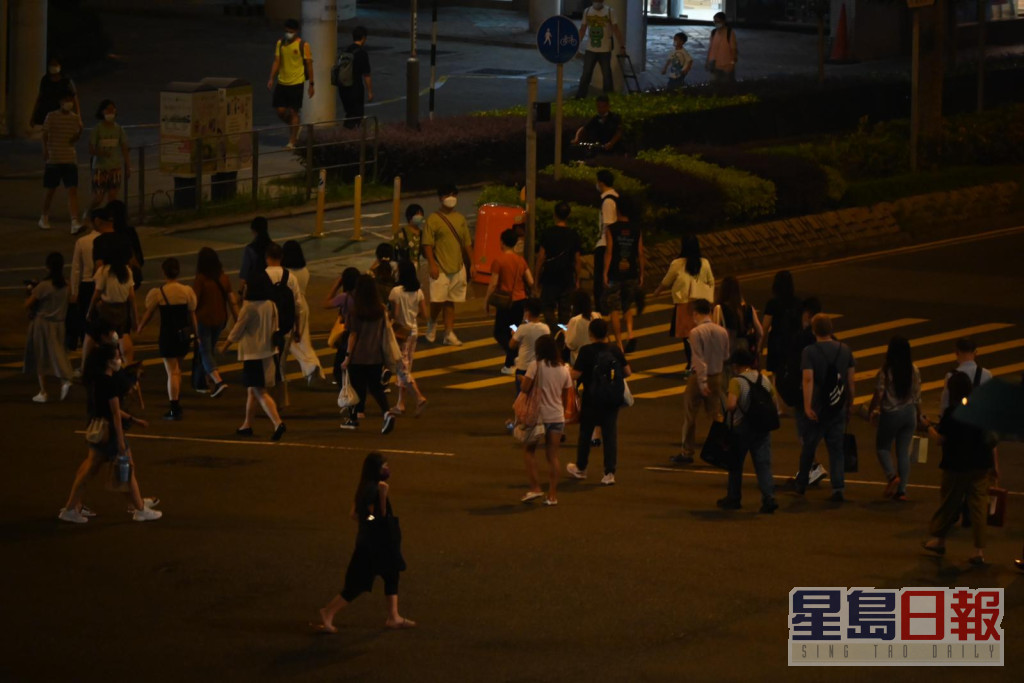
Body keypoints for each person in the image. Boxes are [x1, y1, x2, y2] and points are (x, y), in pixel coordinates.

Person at [59, 343, 161, 524]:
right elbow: (114, 413)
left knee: (98, 469)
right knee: (123, 468)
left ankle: (136, 505)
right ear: (108, 361)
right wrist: (121, 441)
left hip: (97, 429)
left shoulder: (96, 379)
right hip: (109, 434)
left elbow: (111, 409)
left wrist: (133, 420)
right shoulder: (109, 382)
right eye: (116, 357)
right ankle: (138, 509)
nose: (119, 360)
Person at [315, 452, 415, 632]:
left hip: (376, 541)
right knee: (359, 583)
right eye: (383, 466)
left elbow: (353, 514)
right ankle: (328, 611)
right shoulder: (373, 490)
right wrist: (382, 497)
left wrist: (367, 518)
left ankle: (394, 616)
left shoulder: (364, 486)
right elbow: (374, 517)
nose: (387, 469)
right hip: (373, 545)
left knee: (392, 573)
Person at [922, 371, 1000, 565]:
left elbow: (941, 439)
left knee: (949, 503)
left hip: (956, 465)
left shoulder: (952, 413)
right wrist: (995, 466)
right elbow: (991, 440)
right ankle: (979, 551)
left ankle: (939, 540)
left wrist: (927, 427)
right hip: (981, 464)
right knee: (978, 507)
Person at [795, 314, 856, 501]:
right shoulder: (845, 350)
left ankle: (802, 482)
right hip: (837, 406)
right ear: (831, 329)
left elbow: (808, 379)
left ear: (814, 331)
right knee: (836, 448)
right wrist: (849, 403)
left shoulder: (809, 352)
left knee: (809, 446)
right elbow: (850, 381)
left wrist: (807, 406)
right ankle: (838, 488)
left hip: (818, 406)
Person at [221, 272, 286, 441]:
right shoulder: (271, 304)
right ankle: (247, 425)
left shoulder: (249, 306)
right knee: (252, 390)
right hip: (270, 352)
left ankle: (277, 422)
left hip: (253, 354)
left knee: (259, 391)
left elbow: (237, 329)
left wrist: (224, 346)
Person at [567, 318, 631, 486]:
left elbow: (575, 375)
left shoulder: (586, 351)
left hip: (592, 397)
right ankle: (609, 472)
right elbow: (627, 372)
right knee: (610, 435)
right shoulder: (615, 350)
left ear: (590, 334)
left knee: (586, 433)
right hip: (611, 398)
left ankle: (581, 467)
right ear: (606, 333)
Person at [136, 258, 198, 421]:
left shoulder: (159, 293)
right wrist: (196, 334)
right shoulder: (186, 291)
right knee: (177, 369)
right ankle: (177, 401)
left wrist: (140, 326)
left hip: (167, 335)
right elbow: (192, 314)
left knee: (172, 371)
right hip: (183, 335)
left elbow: (149, 312)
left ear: (164, 272)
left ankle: (174, 406)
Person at [720, 349, 778, 513]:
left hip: (742, 428)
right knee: (763, 465)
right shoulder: (764, 379)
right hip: (762, 427)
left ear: (736, 365)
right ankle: (769, 498)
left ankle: (734, 498)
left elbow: (731, 405)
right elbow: (774, 401)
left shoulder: (736, 381)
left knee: (736, 464)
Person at [674, 299, 731, 464]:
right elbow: (726, 355)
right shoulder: (722, 331)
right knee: (715, 414)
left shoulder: (696, 332)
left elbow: (698, 360)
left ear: (696, 313)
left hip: (698, 378)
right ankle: (720, 448)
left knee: (690, 414)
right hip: (717, 376)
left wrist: (702, 382)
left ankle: (687, 451)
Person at [519, 335, 573, 505]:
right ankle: (552, 495)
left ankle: (535, 488)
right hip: (557, 416)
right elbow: (566, 395)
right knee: (553, 456)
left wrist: (522, 378)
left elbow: (524, 388)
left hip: (539, 416)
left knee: (529, 451)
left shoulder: (535, 366)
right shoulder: (564, 369)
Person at [340, 274, 397, 434]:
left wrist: (347, 357)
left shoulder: (355, 311)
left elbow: (353, 335)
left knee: (355, 388)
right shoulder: (380, 309)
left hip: (358, 356)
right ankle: (387, 412)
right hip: (375, 356)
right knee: (376, 388)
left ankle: (353, 419)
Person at [869, 336, 922, 501]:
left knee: (883, 448)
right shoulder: (913, 369)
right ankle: (902, 491)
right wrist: (919, 414)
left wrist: (872, 409)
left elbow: (879, 393)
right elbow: (917, 395)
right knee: (903, 452)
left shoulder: (886, 371)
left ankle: (892, 477)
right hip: (909, 413)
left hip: (891, 414)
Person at [422, 183, 475, 346]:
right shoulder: (433, 219)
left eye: (453, 194)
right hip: (440, 267)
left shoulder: (460, 219)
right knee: (437, 300)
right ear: (440, 198)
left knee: (451, 301)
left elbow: (467, 243)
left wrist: (473, 264)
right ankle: (432, 323)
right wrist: (432, 264)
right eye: (447, 195)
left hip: (458, 267)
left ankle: (449, 333)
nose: (451, 198)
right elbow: (427, 244)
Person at [653, 235, 714, 371]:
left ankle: (691, 363)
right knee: (702, 334)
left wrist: (657, 292)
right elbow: (711, 281)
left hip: (684, 304)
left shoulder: (678, 264)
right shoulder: (704, 262)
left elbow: (666, 281)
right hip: (702, 304)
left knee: (688, 337)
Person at [24, 252, 74, 403]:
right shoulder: (66, 284)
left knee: (41, 357)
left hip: (42, 324)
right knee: (58, 353)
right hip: (59, 324)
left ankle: (44, 391)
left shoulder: (44, 286)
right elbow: (71, 300)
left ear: (47, 267)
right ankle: (64, 380)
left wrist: (30, 290)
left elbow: (27, 304)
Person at [192, 247, 237, 397]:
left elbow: (194, 302)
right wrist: (237, 318)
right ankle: (202, 381)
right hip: (220, 319)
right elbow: (232, 300)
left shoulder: (200, 279)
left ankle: (218, 381)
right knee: (208, 350)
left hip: (204, 319)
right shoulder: (224, 278)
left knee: (205, 351)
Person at [487, 229, 533, 375]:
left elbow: (493, 284)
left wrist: (487, 300)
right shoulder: (521, 260)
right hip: (520, 302)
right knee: (513, 330)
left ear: (502, 242)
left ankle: (514, 356)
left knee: (499, 332)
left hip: (506, 303)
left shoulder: (499, 260)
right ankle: (509, 364)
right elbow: (530, 281)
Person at [265, 242, 305, 408]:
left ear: (267, 258)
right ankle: (282, 399)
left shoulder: (262, 275)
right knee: (281, 363)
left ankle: (268, 399)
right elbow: (298, 306)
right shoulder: (291, 277)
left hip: (266, 326)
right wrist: (297, 328)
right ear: (281, 257)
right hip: (286, 326)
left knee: (267, 362)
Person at [602, 195, 644, 353]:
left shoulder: (611, 229)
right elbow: (640, 253)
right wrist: (641, 274)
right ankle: (630, 334)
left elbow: (609, 252)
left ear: (617, 209)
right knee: (627, 305)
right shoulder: (636, 229)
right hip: (632, 272)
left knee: (614, 307)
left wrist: (605, 273)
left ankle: (619, 343)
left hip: (615, 273)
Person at [281, 240, 325, 385]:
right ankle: (314, 365)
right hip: (304, 306)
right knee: (304, 341)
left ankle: (308, 366)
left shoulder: (286, 273)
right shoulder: (304, 270)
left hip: (290, 306)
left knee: (289, 342)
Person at [39, 91, 83, 233]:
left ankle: (74, 222)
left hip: (69, 158)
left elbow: (73, 140)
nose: (68, 102)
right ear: (60, 101)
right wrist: (45, 150)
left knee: (72, 190)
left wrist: (79, 133)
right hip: (54, 158)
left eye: (70, 99)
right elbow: (44, 134)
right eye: (66, 99)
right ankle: (44, 216)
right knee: (50, 190)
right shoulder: (51, 116)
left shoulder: (75, 118)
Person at [388, 260, 428, 416]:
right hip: (414, 332)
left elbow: (395, 315)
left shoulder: (396, 292)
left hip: (401, 333)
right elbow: (425, 315)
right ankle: (401, 403)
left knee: (402, 368)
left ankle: (419, 397)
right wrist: (412, 313)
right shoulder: (419, 292)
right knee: (406, 366)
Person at [87, 239, 137, 364]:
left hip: (106, 309)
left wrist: (90, 310)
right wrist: (135, 317)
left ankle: (88, 365)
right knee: (123, 334)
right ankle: (128, 364)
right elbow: (132, 296)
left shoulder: (104, 271)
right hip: (122, 310)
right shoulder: (127, 271)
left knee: (95, 336)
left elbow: (97, 293)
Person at [267, 18, 314, 149]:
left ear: (297, 31)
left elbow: (309, 65)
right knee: (280, 111)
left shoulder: (303, 45)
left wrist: (311, 84)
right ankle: (295, 127)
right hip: (282, 82)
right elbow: (277, 61)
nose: (288, 34)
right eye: (287, 31)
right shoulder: (280, 43)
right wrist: (271, 78)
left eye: (291, 31)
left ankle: (292, 141)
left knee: (294, 112)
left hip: (297, 83)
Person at [758, 270, 802, 408]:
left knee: (776, 372)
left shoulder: (772, 303)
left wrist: (760, 346)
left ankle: (780, 405)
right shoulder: (798, 302)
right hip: (794, 341)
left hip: (777, 341)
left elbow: (764, 327)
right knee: (794, 369)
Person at [536, 201, 582, 327]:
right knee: (565, 312)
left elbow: (541, 257)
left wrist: (536, 279)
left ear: (554, 215)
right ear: (568, 216)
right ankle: (562, 334)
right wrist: (577, 279)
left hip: (550, 276)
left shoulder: (548, 233)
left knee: (547, 307)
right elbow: (577, 260)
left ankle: (554, 329)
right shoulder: (573, 235)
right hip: (567, 277)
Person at [575, 1, 625, 98]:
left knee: (607, 76)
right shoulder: (587, 11)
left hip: (605, 50)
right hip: (590, 49)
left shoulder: (610, 11)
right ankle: (580, 97)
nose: (597, 2)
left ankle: (608, 97)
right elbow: (582, 29)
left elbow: (616, 29)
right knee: (586, 74)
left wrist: (622, 46)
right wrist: (576, 45)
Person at [69, 211, 102, 355]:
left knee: (86, 321)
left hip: (86, 284)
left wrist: (74, 292)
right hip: (101, 284)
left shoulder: (82, 241)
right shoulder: (105, 239)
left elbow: (76, 269)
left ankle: (86, 353)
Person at [88, 99, 130, 213]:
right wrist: (101, 153)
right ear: (102, 112)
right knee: (98, 197)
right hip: (100, 168)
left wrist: (128, 166)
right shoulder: (97, 129)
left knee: (112, 197)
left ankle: (108, 218)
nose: (111, 112)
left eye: (113, 110)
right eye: (108, 110)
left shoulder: (119, 129)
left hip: (115, 168)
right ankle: (88, 212)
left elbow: (124, 148)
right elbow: (91, 149)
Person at [509, 299, 551, 398]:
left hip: (524, 367)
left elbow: (511, 345)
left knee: (522, 396)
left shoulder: (522, 328)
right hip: (540, 366)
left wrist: (514, 335)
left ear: (527, 312)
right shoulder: (545, 328)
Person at [713, 275, 762, 360]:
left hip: (729, 351)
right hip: (746, 348)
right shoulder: (748, 308)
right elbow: (760, 332)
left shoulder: (719, 309)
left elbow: (715, 333)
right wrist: (757, 348)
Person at [326, 266, 360, 386]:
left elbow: (326, 303)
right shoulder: (362, 296)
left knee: (339, 368)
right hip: (362, 334)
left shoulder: (344, 297)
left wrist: (336, 285)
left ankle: (346, 393)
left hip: (348, 333)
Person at [939, 337, 993, 412]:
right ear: (975, 352)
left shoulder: (951, 376)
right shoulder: (986, 374)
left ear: (957, 352)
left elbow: (945, 404)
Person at [590, 170, 619, 313]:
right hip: (611, 245)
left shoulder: (607, 201)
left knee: (601, 280)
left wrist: (609, 250)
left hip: (605, 245)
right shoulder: (616, 197)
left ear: (601, 182)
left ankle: (603, 308)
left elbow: (608, 227)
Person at [336, 26, 373, 129]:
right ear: (363, 38)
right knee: (357, 115)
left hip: (343, 87)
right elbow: (367, 75)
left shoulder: (345, 51)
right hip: (355, 87)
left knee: (349, 113)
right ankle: (351, 138)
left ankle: (346, 135)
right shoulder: (362, 53)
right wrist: (370, 92)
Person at [31, 54, 80, 128]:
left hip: (61, 115)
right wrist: (33, 116)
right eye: (51, 64)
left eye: (55, 64)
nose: (53, 66)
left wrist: (78, 117)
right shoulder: (45, 80)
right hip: (45, 114)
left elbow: (74, 98)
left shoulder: (66, 81)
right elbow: (40, 98)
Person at [565, 290, 601, 367]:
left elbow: (571, 344)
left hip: (580, 360)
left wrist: (565, 332)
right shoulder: (596, 315)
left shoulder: (575, 320)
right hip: (597, 357)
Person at [705, 12, 739, 90]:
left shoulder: (730, 33)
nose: (716, 23)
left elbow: (733, 50)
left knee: (726, 87)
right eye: (715, 21)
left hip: (726, 66)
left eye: (718, 21)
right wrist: (707, 61)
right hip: (714, 65)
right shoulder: (713, 33)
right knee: (714, 86)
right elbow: (711, 48)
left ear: (723, 21)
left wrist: (732, 64)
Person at [239, 217, 272, 296]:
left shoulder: (250, 249)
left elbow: (244, 274)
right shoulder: (273, 247)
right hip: (271, 286)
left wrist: (240, 292)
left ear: (254, 231)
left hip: (255, 290)